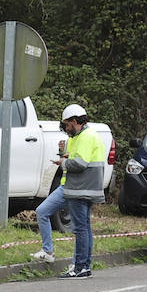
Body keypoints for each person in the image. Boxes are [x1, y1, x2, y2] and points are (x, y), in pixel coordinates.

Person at [51, 104, 106, 279]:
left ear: (75, 122)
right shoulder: (90, 134)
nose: (66, 128)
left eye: (67, 124)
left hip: (80, 188)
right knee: (85, 228)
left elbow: (80, 164)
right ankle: (85, 266)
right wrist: (65, 154)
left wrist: (63, 163)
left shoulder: (85, 137)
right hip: (89, 188)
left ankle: (80, 266)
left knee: (80, 229)